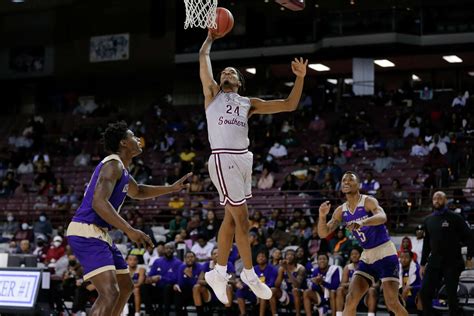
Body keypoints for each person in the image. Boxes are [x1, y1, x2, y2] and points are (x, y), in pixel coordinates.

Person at [199, 29, 308, 304]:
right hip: (223, 157)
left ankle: (219, 272)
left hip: (243, 159)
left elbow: (289, 104)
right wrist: (211, 38)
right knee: (243, 222)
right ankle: (248, 274)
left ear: (239, 81)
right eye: (223, 72)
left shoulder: (249, 104)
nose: (226, 74)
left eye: (231, 72)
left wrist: (300, 78)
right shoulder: (212, 94)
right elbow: (203, 56)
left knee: (230, 218)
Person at [66, 121, 191, 316]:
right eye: (134, 136)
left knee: (125, 287)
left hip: (100, 233)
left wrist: (170, 188)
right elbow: (98, 203)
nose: (138, 140)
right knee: (109, 293)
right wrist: (130, 230)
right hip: (86, 230)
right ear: (124, 142)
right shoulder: (112, 164)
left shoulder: (121, 169)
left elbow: (139, 191)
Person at [318, 171, 407, 316]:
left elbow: (382, 216)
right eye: (343, 180)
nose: (346, 182)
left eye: (350, 180)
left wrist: (362, 222)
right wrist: (322, 216)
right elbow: (323, 233)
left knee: (392, 303)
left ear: (358, 184)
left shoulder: (368, 201)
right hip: (367, 255)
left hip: (385, 252)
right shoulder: (341, 210)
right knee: (351, 299)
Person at [420, 191, 474, 316]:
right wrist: (423, 264)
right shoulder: (428, 220)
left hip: (452, 261)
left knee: (451, 295)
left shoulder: (455, 218)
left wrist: (470, 256)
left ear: (445, 201)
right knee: (424, 293)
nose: (437, 200)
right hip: (434, 262)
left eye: (440, 198)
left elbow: (469, 236)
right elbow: (426, 244)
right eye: (434, 198)